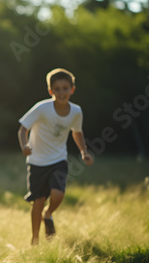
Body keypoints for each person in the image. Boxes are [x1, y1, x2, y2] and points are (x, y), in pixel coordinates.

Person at [18, 68, 94, 245]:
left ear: (72, 89)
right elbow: (23, 128)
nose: (61, 92)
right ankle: (35, 239)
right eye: (57, 89)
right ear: (50, 91)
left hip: (58, 159)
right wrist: (25, 145)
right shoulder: (42, 108)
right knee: (38, 201)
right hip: (37, 161)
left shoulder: (76, 111)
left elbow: (77, 132)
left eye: (65, 88)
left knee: (58, 194)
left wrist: (84, 151)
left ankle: (48, 213)